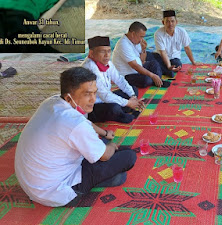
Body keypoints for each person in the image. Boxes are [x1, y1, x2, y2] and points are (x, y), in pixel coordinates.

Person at [15, 67, 137, 207]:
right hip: (56, 191)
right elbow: (104, 155)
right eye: (87, 94)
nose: (93, 99)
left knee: (101, 146)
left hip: (33, 182)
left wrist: (104, 133)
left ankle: (105, 172)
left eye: (94, 93)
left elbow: (85, 123)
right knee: (128, 157)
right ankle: (97, 181)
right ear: (68, 97)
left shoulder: (52, 102)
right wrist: (111, 147)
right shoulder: (75, 123)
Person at [82, 36, 145, 124]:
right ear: (91, 53)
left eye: (108, 51)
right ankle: (123, 112)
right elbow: (104, 95)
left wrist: (132, 96)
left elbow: (119, 80)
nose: (107, 55)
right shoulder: (89, 68)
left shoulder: (107, 63)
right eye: (103, 51)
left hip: (106, 99)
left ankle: (124, 109)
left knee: (133, 90)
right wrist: (128, 103)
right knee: (113, 108)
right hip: (93, 105)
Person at [113, 21, 169, 88]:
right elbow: (135, 66)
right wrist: (152, 75)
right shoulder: (123, 44)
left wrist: (143, 49)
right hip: (126, 75)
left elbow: (142, 61)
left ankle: (157, 81)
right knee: (146, 79)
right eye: (141, 37)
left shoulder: (135, 41)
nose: (141, 40)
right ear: (133, 34)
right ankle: (155, 80)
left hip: (138, 69)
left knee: (154, 63)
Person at [153, 10, 200, 77]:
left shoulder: (182, 31)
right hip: (161, 57)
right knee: (154, 61)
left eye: (172, 21)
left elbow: (187, 48)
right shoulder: (158, 34)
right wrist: (169, 67)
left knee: (177, 64)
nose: (170, 24)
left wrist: (193, 62)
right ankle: (168, 71)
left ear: (176, 22)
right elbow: (163, 53)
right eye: (167, 21)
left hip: (174, 58)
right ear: (163, 22)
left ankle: (165, 71)